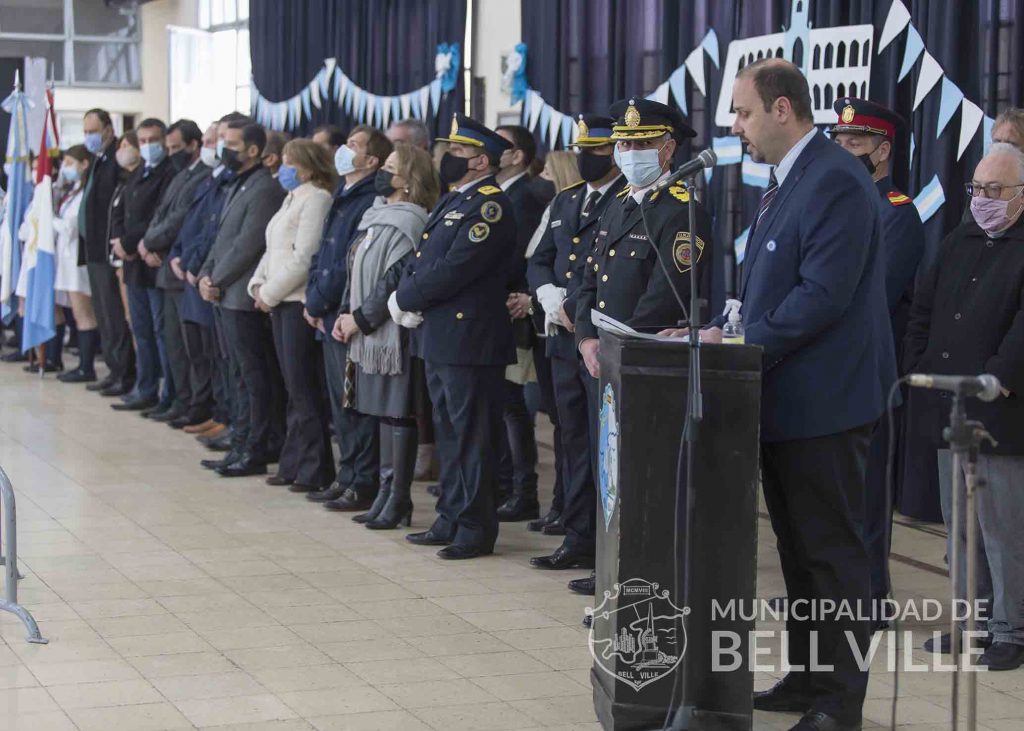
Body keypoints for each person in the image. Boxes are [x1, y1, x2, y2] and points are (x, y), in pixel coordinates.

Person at [686, 59, 895, 731]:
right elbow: (770, 291)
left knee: (833, 555)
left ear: (782, 110)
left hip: (826, 404)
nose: (737, 128)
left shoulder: (835, 179)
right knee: (799, 551)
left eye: (744, 113)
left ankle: (842, 701)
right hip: (782, 400)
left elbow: (821, 298)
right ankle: (809, 677)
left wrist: (743, 346)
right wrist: (723, 327)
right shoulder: (785, 180)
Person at [906, 142, 1024, 671]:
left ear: (1021, 196)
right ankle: (969, 621)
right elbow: (923, 307)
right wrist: (918, 365)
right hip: (948, 405)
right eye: (977, 188)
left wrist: (998, 377)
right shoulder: (959, 239)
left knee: (1002, 531)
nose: (983, 199)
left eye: (995, 191)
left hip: (1000, 412)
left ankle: (1010, 630)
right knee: (961, 529)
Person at [391, 112, 517, 560]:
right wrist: (402, 291)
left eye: (460, 152)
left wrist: (406, 297)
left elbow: (456, 268)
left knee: (472, 436)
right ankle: (449, 515)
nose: (449, 157)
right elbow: (423, 257)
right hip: (442, 336)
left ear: (481, 161)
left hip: (471, 339)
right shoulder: (454, 200)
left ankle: (475, 527)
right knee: (448, 433)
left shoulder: (488, 205)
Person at [831, 97, 926, 617]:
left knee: (866, 492)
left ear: (882, 150)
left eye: (856, 143)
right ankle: (829, 591)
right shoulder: (838, 208)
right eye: (840, 143)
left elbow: (871, 297)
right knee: (831, 493)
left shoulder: (896, 215)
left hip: (870, 372)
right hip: (830, 373)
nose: (844, 152)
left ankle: (869, 595)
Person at [528, 115, 626, 593]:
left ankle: (609, 551)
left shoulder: (625, 201)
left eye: (599, 150)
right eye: (583, 149)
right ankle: (577, 534)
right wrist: (548, 295)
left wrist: (576, 308)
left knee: (602, 443)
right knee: (570, 439)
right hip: (563, 338)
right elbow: (540, 257)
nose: (589, 158)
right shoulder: (566, 199)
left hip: (601, 339)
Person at [332, 143, 440, 529]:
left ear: (409, 180)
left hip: (394, 331)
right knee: (380, 409)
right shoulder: (374, 216)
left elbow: (393, 279)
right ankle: (383, 491)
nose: (384, 174)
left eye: (392, 168)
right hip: (367, 328)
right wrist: (347, 312)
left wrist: (361, 318)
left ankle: (398, 498)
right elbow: (354, 267)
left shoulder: (412, 221)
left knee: (398, 410)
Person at [304, 125, 393, 509]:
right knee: (340, 406)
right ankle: (347, 474)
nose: (344, 150)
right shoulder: (343, 193)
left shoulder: (368, 199)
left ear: (371, 161)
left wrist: (322, 302)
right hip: (326, 311)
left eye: (353, 146)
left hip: (343, 311)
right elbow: (321, 254)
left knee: (354, 405)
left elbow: (347, 264)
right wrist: (312, 300)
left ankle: (363, 480)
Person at [198, 120, 286, 477]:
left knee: (253, 377)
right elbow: (222, 239)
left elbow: (248, 245)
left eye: (232, 144)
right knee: (236, 373)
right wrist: (206, 274)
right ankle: (240, 442)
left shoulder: (265, 188)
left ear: (253, 150)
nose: (224, 150)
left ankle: (255, 447)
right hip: (223, 293)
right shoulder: (239, 183)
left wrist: (216, 278)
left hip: (240, 296)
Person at [248, 139, 336, 491]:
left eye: (289, 162)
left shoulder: (316, 198)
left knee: (303, 387)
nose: (282, 168)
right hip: (277, 300)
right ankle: (293, 461)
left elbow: (304, 257)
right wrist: (258, 284)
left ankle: (316, 467)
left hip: (295, 301)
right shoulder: (292, 197)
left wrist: (269, 294)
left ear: (309, 166)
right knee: (291, 387)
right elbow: (273, 249)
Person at [495, 124, 550, 522]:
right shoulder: (501, 193)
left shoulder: (526, 195)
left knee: (514, 407)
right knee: (504, 405)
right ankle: (503, 482)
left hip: (518, 312)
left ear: (518, 156)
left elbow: (521, 256)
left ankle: (522, 489)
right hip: (499, 312)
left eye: (501, 145)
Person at [109, 118, 178, 413]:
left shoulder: (169, 173)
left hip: (154, 260)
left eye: (153, 140)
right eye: (144, 140)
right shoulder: (137, 174)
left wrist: (135, 242)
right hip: (134, 264)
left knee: (162, 332)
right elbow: (124, 212)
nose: (148, 146)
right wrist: (121, 242)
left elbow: (158, 216)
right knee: (142, 330)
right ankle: (145, 386)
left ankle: (168, 394)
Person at [146, 119, 209, 428]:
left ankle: (192, 403)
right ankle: (180, 398)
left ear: (193, 145)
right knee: (171, 341)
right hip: (165, 266)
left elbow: (180, 219)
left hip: (180, 268)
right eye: (168, 148)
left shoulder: (202, 176)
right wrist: (148, 242)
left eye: (176, 147)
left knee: (189, 347)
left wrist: (150, 242)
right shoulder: (180, 174)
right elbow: (162, 213)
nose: (171, 153)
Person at [169, 123, 228, 442]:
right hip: (190, 274)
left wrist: (193, 264)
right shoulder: (208, 180)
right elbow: (190, 225)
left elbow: (215, 232)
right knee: (199, 351)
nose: (208, 147)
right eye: (206, 141)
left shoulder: (228, 185)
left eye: (214, 141)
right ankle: (210, 411)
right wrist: (177, 255)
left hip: (205, 275)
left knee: (217, 355)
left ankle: (221, 413)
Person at [80, 109, 135, 396]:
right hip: (93, 251)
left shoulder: (116, 161)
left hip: (108, 251)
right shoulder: (97, 161)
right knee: (103, 314)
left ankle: (124, 374)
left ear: (108, 130)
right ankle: (114, 370)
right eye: (85, 131)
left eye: (93, 130)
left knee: (114, 314)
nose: (89, 136)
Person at [53, 146, 100, 383]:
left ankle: (86, 367)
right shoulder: (73, 191)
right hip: (67, 261)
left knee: (84, 314)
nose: (65, 168)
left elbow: (70, 227)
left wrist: (48, 219)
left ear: (84, 164)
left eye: (70, 163)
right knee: (78, 313)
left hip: (77, 262)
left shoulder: (85, 193)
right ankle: (83, 364)